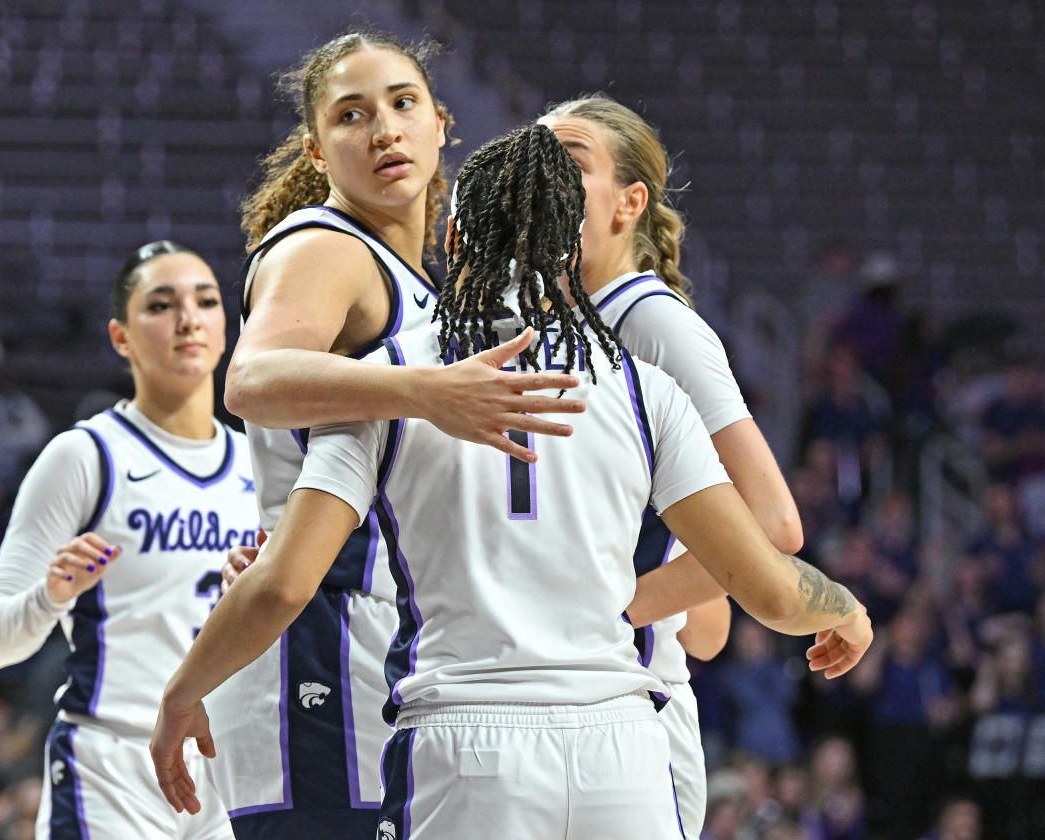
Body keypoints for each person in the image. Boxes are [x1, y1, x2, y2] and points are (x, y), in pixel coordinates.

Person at [151, 125, 872, 839]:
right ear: (571, 243)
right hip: (620, 752)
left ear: (456, 242)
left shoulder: (391, 382)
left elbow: (281, 584)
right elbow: (771, 590)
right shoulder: (644, 390)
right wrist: (841, 606)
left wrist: (184, 692)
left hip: (467, 752)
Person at [206, 31, 584, 839]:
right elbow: (250, 381)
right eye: (352, 115)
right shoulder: (326, 246)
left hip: (379, 639)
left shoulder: (412, 280)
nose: (383, 129)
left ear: (442, 123)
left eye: (402, 104)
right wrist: (427, 391)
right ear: (315, 150)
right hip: (319, 643)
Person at [540, 93, 804, 839]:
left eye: (568, 162)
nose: (543, 177)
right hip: (563, 698)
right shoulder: (553, 328)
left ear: (629, 203)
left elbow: (774, 522)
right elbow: (708, 629)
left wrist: (617, 609)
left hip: (626, 708)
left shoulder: (651, 322)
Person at [0, 241, 257, 840]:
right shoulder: (84, 456)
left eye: (205, 301)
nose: (187, 318)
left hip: (232, 765)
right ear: (120, 336)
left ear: (225, 327)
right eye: (160, 304)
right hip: (112, 766)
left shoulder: (261, 460)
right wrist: (50, 596)